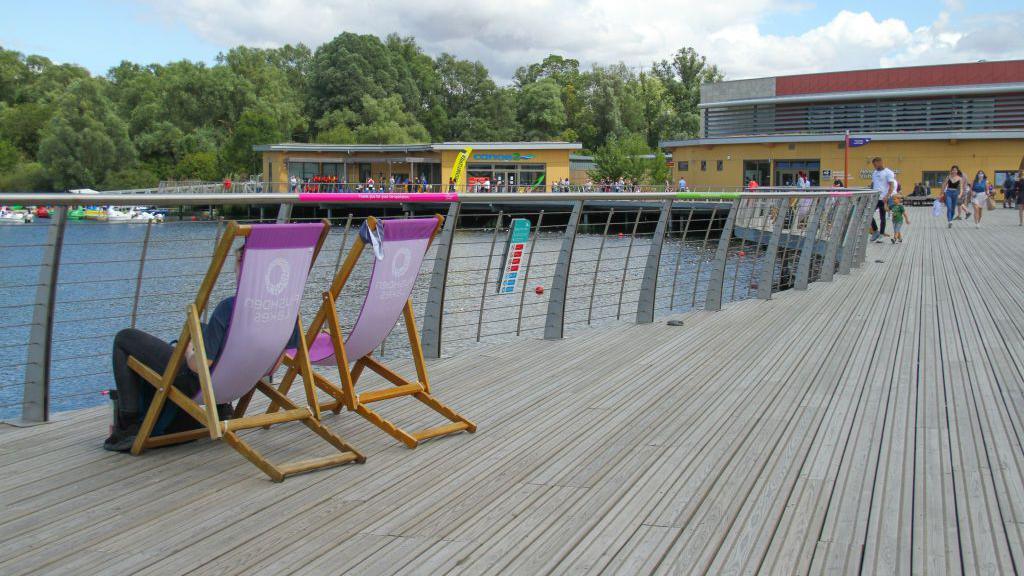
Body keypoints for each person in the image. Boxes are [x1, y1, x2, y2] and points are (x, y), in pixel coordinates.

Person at [104, 245, 300, 452]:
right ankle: (222, 409)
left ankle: (129, 425)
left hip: (199, 384)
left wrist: (189, 350)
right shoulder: (287, 310)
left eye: (236, 264)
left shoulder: (228, 309)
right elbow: (273, 366)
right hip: (241, 383)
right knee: (204, 329)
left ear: (245, 266)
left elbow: (200, 367)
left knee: (125, 338)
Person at [869, 157, 896, 242]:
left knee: (882, 216)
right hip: (875, 197)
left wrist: (887, 196)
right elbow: (873, 185)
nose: (874, 166)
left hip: (884, 198)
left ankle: (881, 233)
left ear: (880, 162)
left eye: (875, 164)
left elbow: (892, 185)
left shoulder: (888, 172)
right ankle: (875, 231)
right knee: (868, 214)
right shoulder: (874, 173)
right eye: (873, 165)